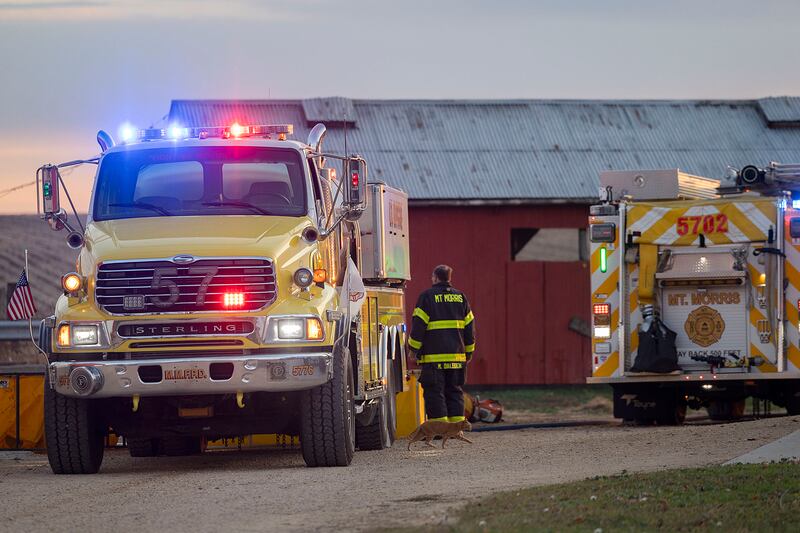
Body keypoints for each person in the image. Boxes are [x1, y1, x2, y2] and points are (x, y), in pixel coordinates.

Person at [407, 264, 475, 423]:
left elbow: (419, 326)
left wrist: (413, 349)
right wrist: (469, 353)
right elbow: (470, 328)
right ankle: (456, 428)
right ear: (449, 278)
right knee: (455, 391)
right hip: (457, 358)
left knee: (434, 393)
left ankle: (440, 429)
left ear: (435, 278)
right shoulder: (461, 297)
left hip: (433, 359)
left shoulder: (427, 297)